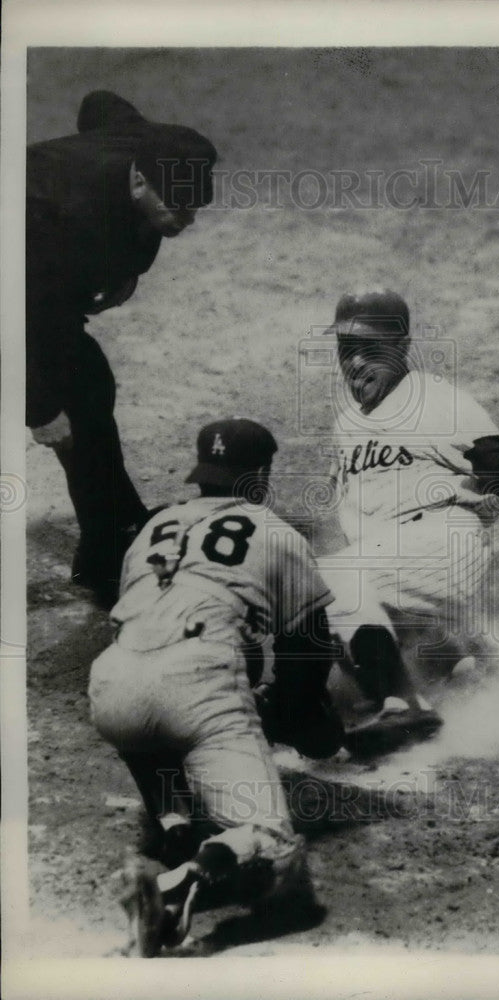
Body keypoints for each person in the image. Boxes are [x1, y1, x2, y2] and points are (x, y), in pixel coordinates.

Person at [88, 418, 344, 957]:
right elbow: (309, 648)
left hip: (111, 687)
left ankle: (174, 821)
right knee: (273, 839)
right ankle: (176, 883)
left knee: (146, 707)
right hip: (201, 690)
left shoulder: (154, 529)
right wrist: (299, 717)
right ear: (261, 475)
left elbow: (129, 624)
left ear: (201, 472)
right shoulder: (274, 531)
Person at [318, 289, 499, 727]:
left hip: (441, 545)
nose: (355, 363)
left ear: (401, 347)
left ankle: (408, 705)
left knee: (325, 581)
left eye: (369, 349)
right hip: (397, 572)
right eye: (346, 350)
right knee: (334, 688)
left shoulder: (436, 402)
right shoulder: (348, 423)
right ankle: (467, 663)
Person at [27, 90, 217, 605]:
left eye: (196, 205)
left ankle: (111, 535)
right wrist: (40, 410)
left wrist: (127, 269)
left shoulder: (144, 144)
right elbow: (23, 316)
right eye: (176, 206)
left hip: (40, 284)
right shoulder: (59, 214)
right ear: (137, 180)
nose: (188, 219)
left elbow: (100, 102)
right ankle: (108, 543)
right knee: (71, 408)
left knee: (90, 390)